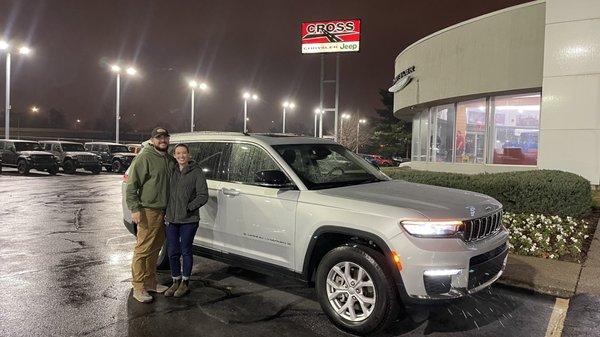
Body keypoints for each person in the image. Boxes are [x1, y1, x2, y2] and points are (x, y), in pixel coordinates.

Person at [126, 127, 175, 303]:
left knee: (155, 248)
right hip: (148, 210)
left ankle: (151, 281)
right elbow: (132, 185)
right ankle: (138, 287)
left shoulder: (169, 159)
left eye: (165, 137)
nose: (162, 140)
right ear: (152, 140)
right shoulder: (145, 157)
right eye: (159, 138)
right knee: (143, 249)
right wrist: (134, 208)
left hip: (164, 211)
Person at [164, 143, 208, 297]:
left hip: (189, 220)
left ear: (188, 155)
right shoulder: (172, 170)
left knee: (186, 250)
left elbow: (203, 195)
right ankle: (175, 280)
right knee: (172, 251)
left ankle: (185, 283)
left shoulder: (196, 172)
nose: (181, 156)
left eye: (184, 153)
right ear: (174, 156)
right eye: (178, 153)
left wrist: (189, 208)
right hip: (171, 218)